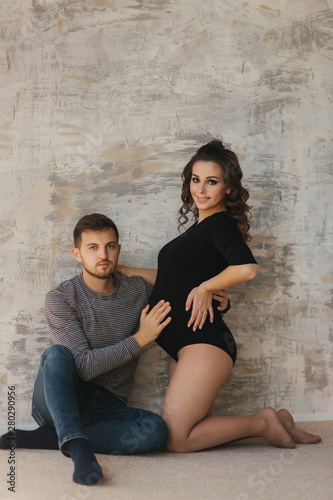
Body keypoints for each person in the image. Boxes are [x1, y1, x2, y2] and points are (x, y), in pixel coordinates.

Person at [118, 139, 321, 453]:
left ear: (228, 187)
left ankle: (262, 422)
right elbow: (173, 281)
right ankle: (281, 419)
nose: (201, 189)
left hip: (204, 344)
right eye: (195, 180)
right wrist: (130, 270)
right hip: (184, 346)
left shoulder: (219, 225)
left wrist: (206, 288)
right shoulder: (198, 230)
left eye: (211, 181)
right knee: (196, 429)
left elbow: (246, 268)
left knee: (176, 439)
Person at [0, 213, 231, 485]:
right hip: (60, 396)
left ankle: (55, 436)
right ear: (77, 253)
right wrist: (140, 339)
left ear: (118, 249)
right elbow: (83, 367)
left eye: (110, 246)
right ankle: (79, 448)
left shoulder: (139, 292)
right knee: (56, 354)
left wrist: (217, 298)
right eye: (93, 248)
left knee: (156, 430)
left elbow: (182, 286)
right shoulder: (61, 298)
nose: (103, 254)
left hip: (109, 404)